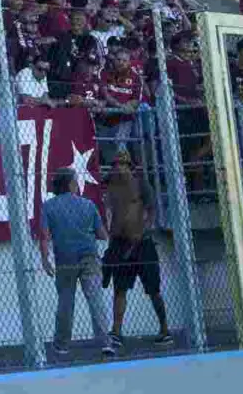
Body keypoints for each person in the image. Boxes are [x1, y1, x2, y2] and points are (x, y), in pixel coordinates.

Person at [39, 168, 115, 357]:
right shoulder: (88, 205)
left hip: (65, 259)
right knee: (95, 299)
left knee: (66, 302)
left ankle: (62, 344)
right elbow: (102, 234)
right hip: (89, 255)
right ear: (71, 184)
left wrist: (45, 259)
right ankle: (105, 341)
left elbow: (44, 236)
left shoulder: (49, 206)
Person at [101, 150, 172, 348]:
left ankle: (165, 328)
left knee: (153, 289)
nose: (119, 167)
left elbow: (151, 210)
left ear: (130, 166)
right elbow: (108, 210)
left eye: (123, 164)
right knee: (120, 288)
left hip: (142, 244)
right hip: (120, 242)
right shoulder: (111, 186)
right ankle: (116, 331)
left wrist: (144, 229)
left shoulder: (141, 184)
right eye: (116, 164)